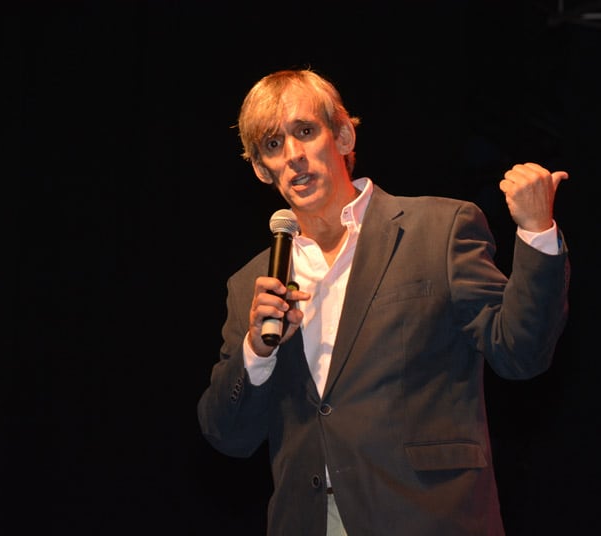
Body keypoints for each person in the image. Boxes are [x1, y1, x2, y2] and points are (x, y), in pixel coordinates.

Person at [197, 68, 570, 536]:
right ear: (259, 168)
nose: (292, 156)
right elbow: (227, 434)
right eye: (272, 145)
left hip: (424, 515)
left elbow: (519, 352)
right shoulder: (252, 284)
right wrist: (257, 351)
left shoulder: (439, 229)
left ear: (345, 135)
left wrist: (536, 233)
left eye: (306, 132)